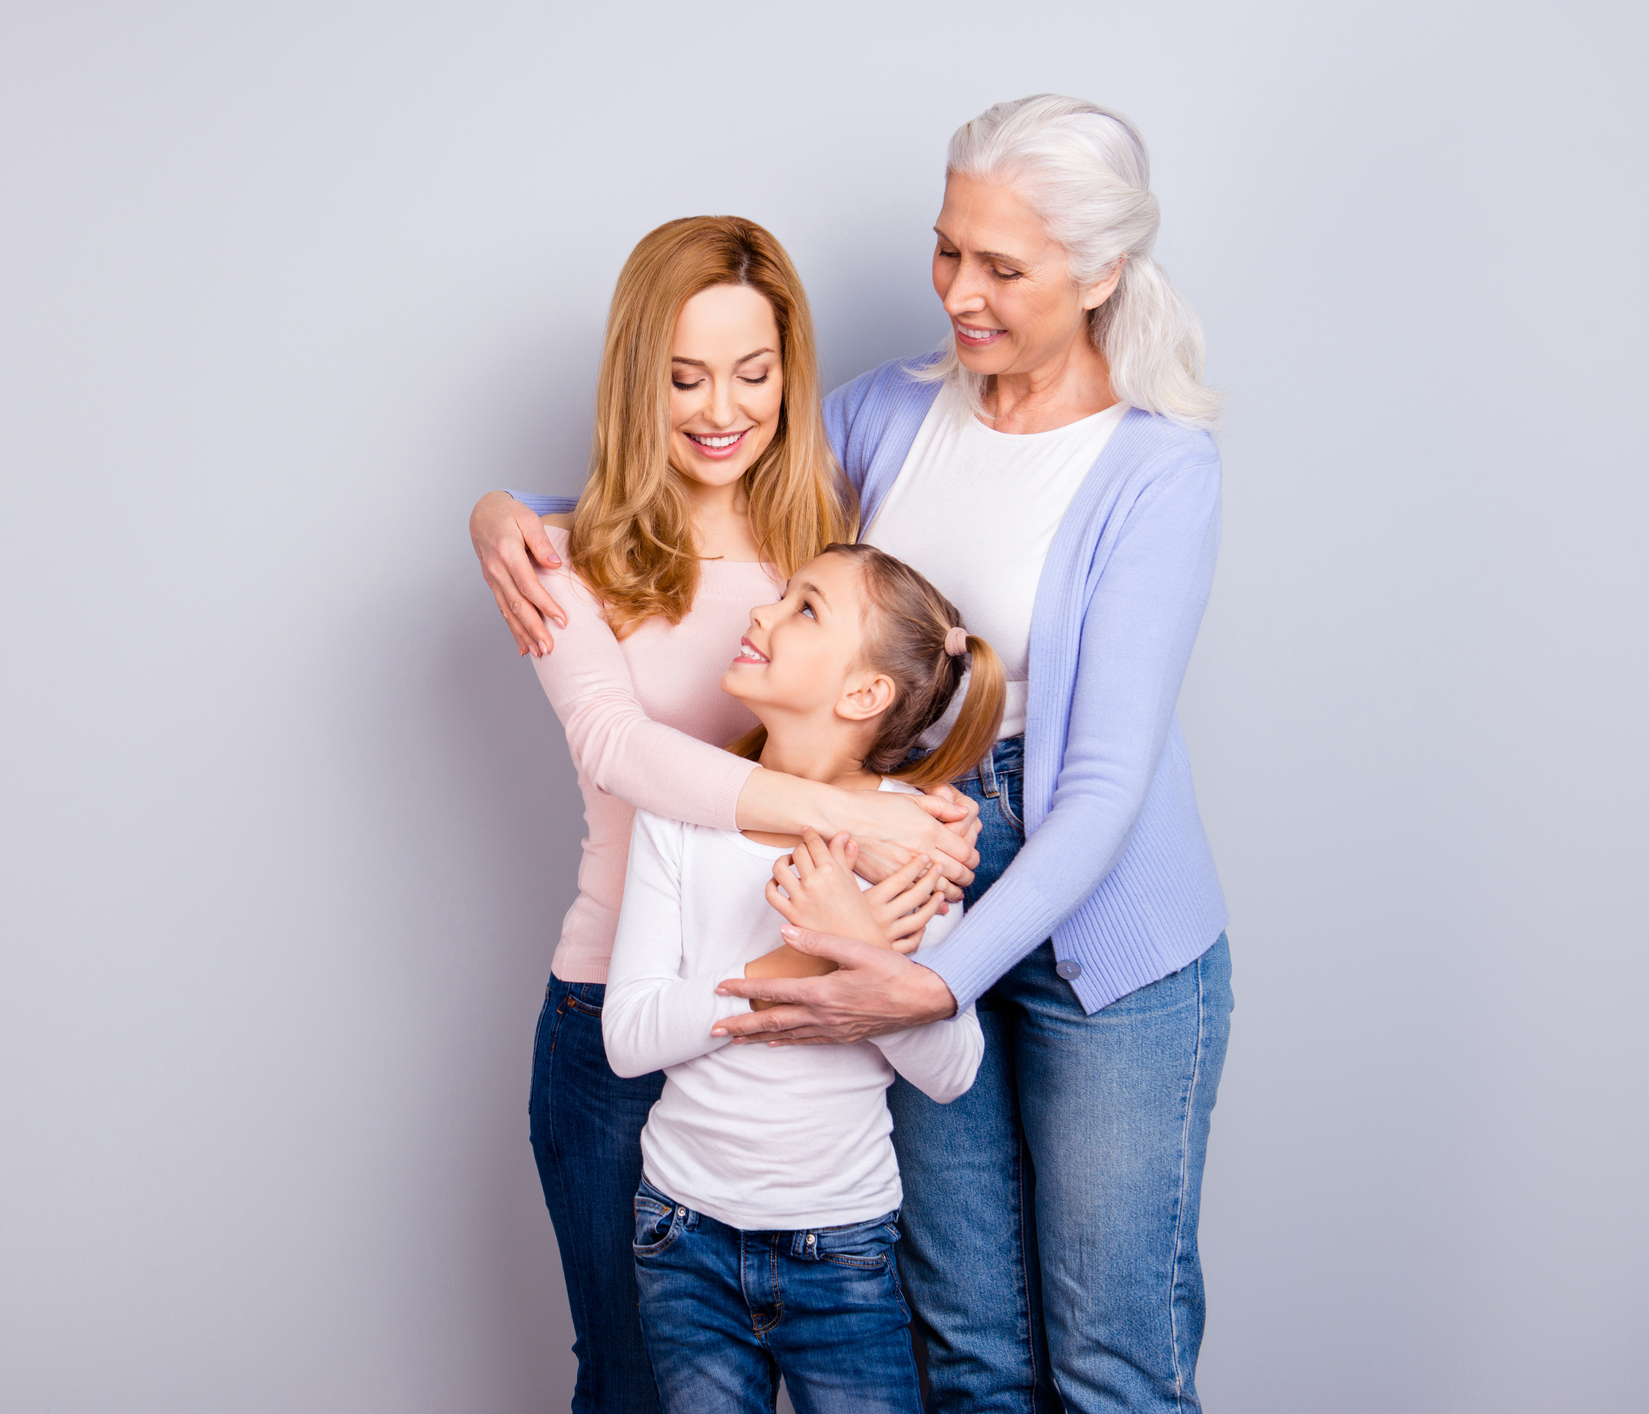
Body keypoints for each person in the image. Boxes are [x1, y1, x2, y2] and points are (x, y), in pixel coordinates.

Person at [474, 97, 1235, 1413]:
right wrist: (511, 515)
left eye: (1001, 266)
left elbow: (1101, 788)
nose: (956, 291)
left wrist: (927, 982)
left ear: (1099, 272)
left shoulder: (1154, 470)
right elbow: (695, 492)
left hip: (1080, 913)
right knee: (965, 1345)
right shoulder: (890, 412)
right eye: (948, 251)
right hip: (892, 857)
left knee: (1110, 1361)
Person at [514, 215, 982, 1414]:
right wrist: (862, 838)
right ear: (637, 383)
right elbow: (621, 750)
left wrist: (924, 822)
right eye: (683, 377)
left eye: (754, 371)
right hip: (615, 1014)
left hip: (827, 1049)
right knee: (624, 1385)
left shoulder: (824, 547)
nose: (721, 406)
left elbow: (898, 688)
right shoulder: (566, 566)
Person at [605, 542, 1002, 1414]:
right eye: (782, 597)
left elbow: (951, 1071)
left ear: (864, 694)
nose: (760, 614)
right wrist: (805, 960)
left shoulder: (911, 840)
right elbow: (628, 1040)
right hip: (682, 1234)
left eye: (804, 609)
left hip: (843, 1246)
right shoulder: (683, 814)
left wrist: (874, 962)